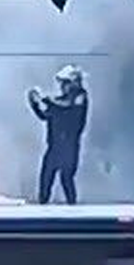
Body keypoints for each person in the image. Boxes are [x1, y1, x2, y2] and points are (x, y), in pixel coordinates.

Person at [27, 65, 88, 204]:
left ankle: (73, 208)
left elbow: (66, 105)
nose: (62, 86)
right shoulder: (59, 101)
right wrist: (35, 104)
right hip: (54, 146)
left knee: (66, 178)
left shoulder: (80, 97)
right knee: (46, 177)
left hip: (69, 146)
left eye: (65, 83)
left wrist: (46, 99)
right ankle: (42, 204)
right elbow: (44, 116)